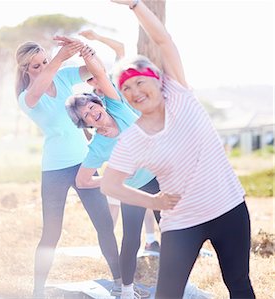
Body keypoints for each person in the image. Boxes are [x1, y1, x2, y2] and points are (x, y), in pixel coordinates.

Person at [101, 1, 255, 298]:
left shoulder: (181, 94)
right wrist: (153, 202)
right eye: (127, 89)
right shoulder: (133, 138)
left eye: (139, 82)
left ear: (158, 81)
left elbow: (163, 40)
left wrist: (134, 5)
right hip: (183, 220)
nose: (134, 92)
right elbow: (110, 184)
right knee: (168, 294)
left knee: (238, 283)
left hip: (229, 208)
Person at [15, 40, 121, 297]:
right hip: (54, 169)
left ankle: (120, 284)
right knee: (52, 232)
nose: (42, 68)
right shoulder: (26, 97)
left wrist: (87, 51)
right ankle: (37, 290)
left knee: (105, 224)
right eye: (36, 65)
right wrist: (59, 59)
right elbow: (40, 87)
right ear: (25, 70)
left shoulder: (62, 76)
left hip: (85, 162)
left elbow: (95, 71)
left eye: (44, 62)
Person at [64, 38, 160, 298]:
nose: (92, 112)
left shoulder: (116, 105)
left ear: (98, 103)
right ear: (85, 123)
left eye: (92, 106)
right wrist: (109, 179)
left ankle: (171, 283)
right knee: (131, 240)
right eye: (86, 115)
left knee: (174, 232)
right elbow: (83, 181)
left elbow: (99, 74)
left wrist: (87, 53)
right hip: (133, 189)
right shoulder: (97, 147)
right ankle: (126, 291)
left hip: (159, 177)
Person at [79, 29, 160, 252]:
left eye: (96, 78)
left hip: (143, 144)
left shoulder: (116, 84)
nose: (96, 83)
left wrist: (96, 36)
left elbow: (120, 48)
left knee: (151, 198)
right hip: (123, 154)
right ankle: (110, 253)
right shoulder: (101, 104)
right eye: (91, 83)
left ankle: (151, 239)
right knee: (120, 207)